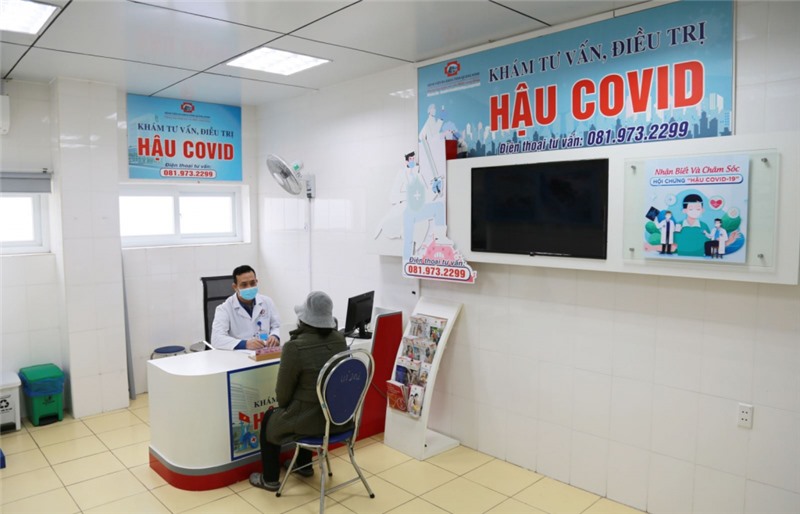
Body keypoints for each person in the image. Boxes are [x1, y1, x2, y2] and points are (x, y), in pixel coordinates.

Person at [249, 291, 349, 492]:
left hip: (310, 422)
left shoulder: (294, 347)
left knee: (270, 418)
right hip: (339, 419)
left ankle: (270, 479)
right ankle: (304, 466)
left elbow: (282, 398)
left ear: (303, 320)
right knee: (309, 404)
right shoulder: (340, 340)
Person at [211, 265, 280, 350]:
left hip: (265, 351)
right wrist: (245, 344)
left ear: (256, 282)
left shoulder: (267, 302)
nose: (249, 287)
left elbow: (277, 326)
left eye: (252, 283)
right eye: (244, 285)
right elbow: (217, 339)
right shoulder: (224, 309)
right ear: (235, 287)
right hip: (240, 354)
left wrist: (275, 336)